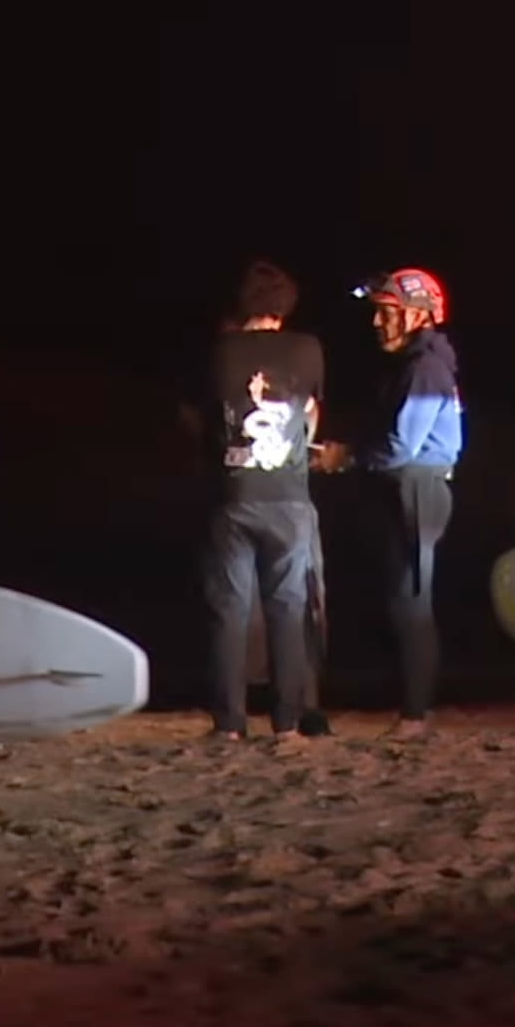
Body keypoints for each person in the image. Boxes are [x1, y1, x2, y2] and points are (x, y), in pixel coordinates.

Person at [313, 267, 463, 737]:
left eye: (387, 313)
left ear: (419, 316)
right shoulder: (417, 365)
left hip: (417, 486)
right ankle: (414, 709)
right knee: (403, 600)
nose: (378, 323)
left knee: (412, 601)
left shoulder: (424, 368)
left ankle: (417, 714)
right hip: (409, 487)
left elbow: (402, 445)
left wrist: (346, 456)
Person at [196, 262, 325, 741]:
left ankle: (229, 721)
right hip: (289, 497)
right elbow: (312, 414)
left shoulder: (217, 354)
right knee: (288, 608)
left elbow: (198, 417)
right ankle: (287, 719)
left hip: (234, 494)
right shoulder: (308, 349)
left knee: (229, 609)